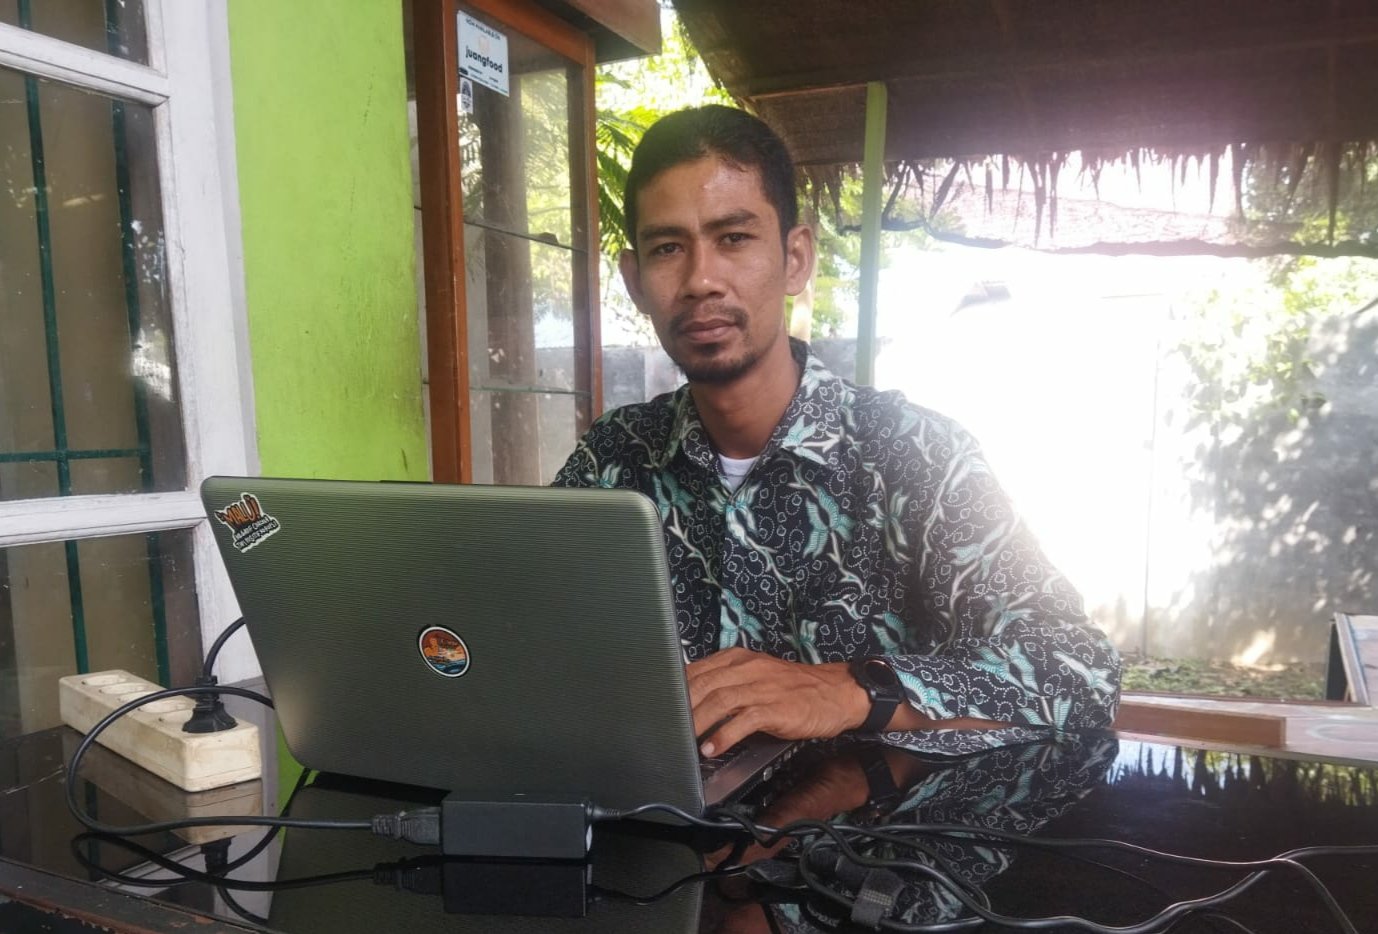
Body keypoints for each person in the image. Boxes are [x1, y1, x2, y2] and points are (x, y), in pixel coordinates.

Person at [553, 105, 1120, 759]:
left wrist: (852, 691)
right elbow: (514, 641)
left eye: (733, 238)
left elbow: (1081, 671)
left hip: (867, 821)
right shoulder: (614, 461)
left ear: (796, 258)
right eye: (667, 248)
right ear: (635, 281)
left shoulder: (915, 456)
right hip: (657, 819)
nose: (701, 279)